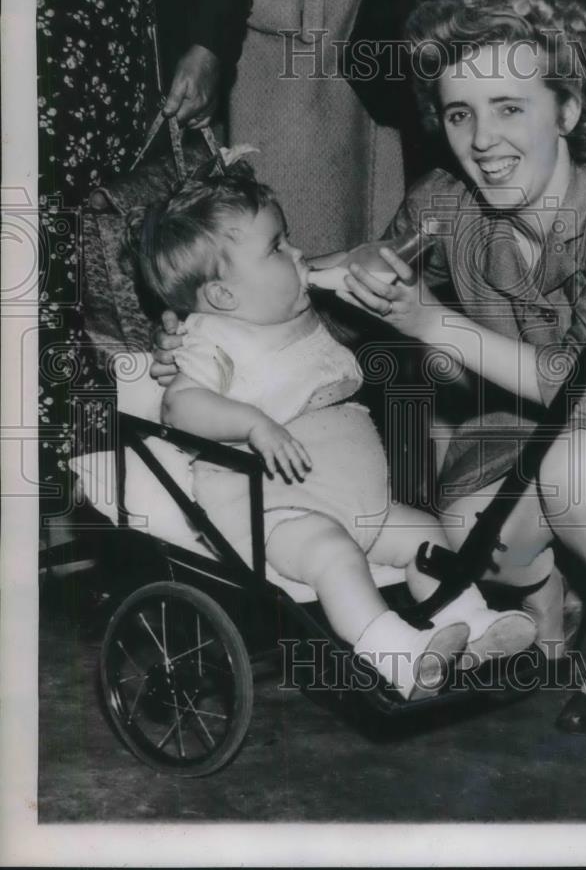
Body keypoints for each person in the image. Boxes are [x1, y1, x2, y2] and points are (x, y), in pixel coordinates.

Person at [337, 0, 586, 732]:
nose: (480, 139)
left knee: (569, 461)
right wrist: (326, 270)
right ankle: (548, 618)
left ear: (567, 112)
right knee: (479, 539)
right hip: (523, 427)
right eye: (458, 113)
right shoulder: (446, 200)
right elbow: (364, 267)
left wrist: (428, 319)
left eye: (509, 107)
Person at [133, 155, 537, 700]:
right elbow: (180, 408)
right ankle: (395, 656)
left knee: (422, 531)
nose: (298, 253)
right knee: (334, 556)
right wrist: (253, 424)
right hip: (277, 515)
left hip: (359, 502)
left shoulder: (296, 312)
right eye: (277, 247)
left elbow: (356, 264)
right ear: (224, 296)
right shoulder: (212, 338)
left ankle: (468, 622)